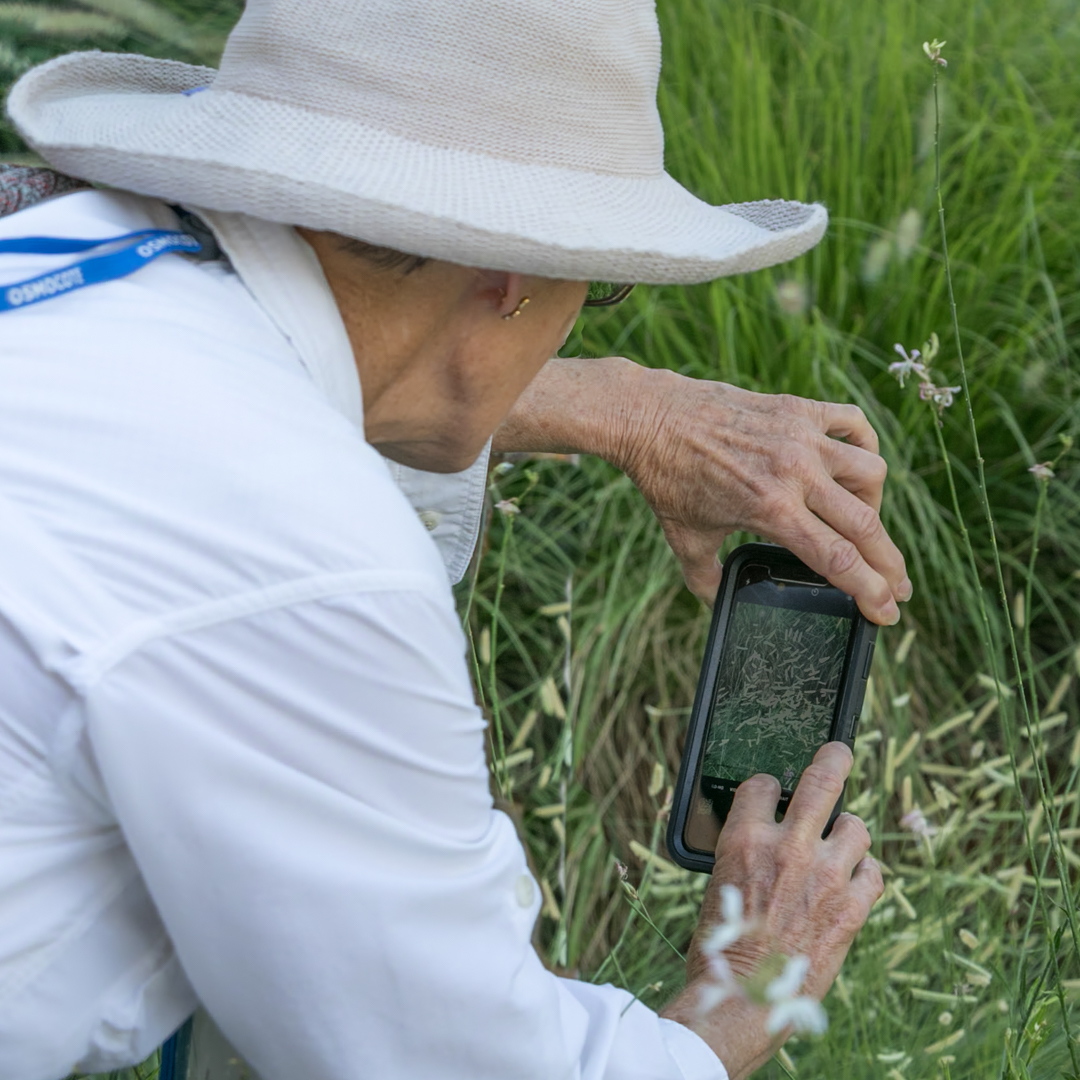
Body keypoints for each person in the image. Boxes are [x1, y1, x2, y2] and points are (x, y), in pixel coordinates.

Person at [0, 2, 904, 1078]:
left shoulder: (54, 242)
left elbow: (235, 394)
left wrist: (617, 406)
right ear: (511, 281)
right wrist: (751, 977)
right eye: (597, 287)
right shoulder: (310, 557)